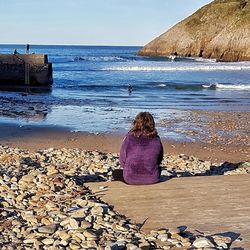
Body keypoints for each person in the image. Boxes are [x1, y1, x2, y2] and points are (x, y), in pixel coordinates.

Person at [118, 112, 163, 185]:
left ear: (136, 122)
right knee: (159, 169)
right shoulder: (156, 139)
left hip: (131, 179)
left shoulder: (129, 137)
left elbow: (122, 160)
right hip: (153, 178)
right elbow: (159, 159)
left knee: (115, 173)